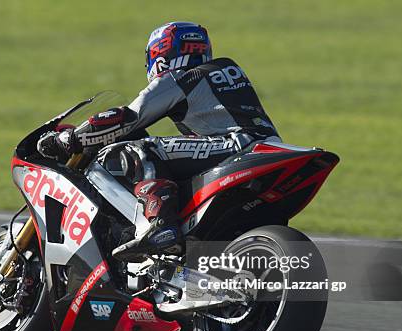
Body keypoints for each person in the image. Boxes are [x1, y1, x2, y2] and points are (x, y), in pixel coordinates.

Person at [37, 21, 281, 262]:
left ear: (162, 54)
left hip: (235, 146)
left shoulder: (181, 78)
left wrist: (70, 138)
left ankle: (160, 225)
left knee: (143, 149)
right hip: (267, 147)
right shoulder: (227, 70)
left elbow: (128, 117)